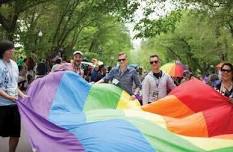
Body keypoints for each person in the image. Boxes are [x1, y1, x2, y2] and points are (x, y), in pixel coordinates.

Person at [0, 40, 27, 152]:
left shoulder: (15, 64)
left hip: (14, 105)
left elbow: (14, 84)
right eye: (10, 49)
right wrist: (8, 97)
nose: (13, 51)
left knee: (15, 134)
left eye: (13, 49)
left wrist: (22, 95)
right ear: (3, 51)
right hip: (1, 105)